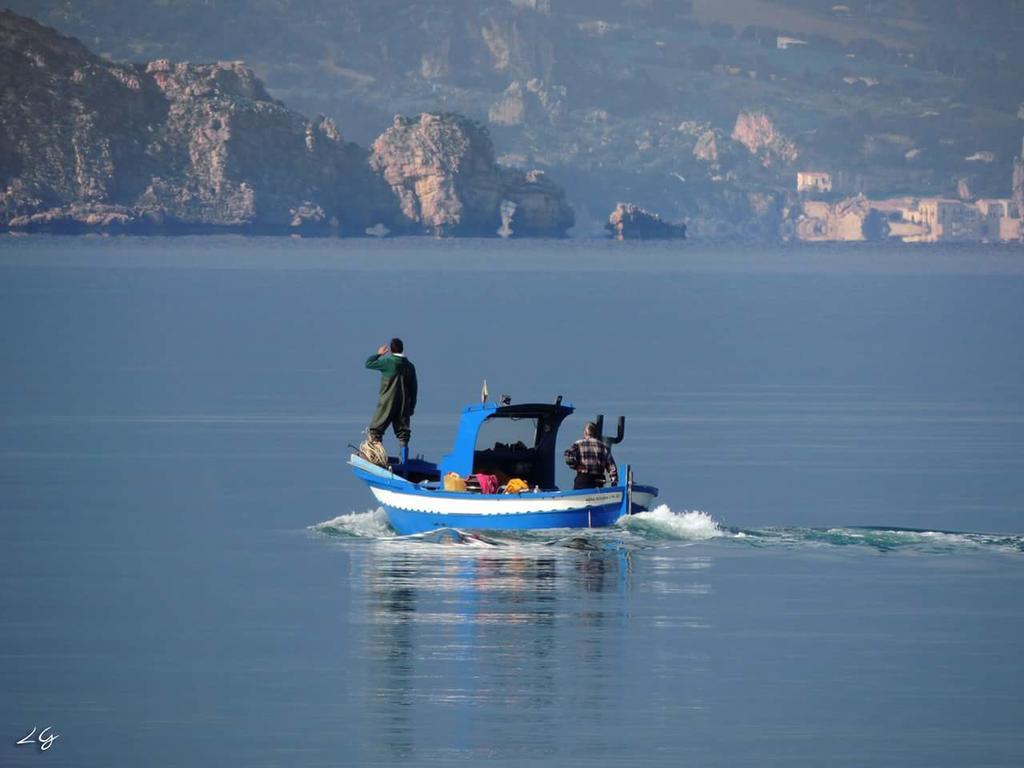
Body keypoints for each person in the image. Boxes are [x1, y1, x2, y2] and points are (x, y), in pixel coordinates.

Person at [365, 338, 417, 457]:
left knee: (376, 430)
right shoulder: (410, 366)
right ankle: (403, 459)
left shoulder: (387, 362)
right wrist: (412, 407)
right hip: (403, 405)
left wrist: (378, 354)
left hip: (387, 403)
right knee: (403, 433)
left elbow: (368, 363)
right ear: (403, 348)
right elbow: (414, 389)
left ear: (391, 349)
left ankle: (377, 457)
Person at [564, 422, 618, 489]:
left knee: (579, 497)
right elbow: (612, 467)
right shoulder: (603, 447)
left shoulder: (578, 444)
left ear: (585, 433)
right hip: (599, 480)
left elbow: (567, 455)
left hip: (583, 478)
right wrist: (614, 482)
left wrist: (576, 465)